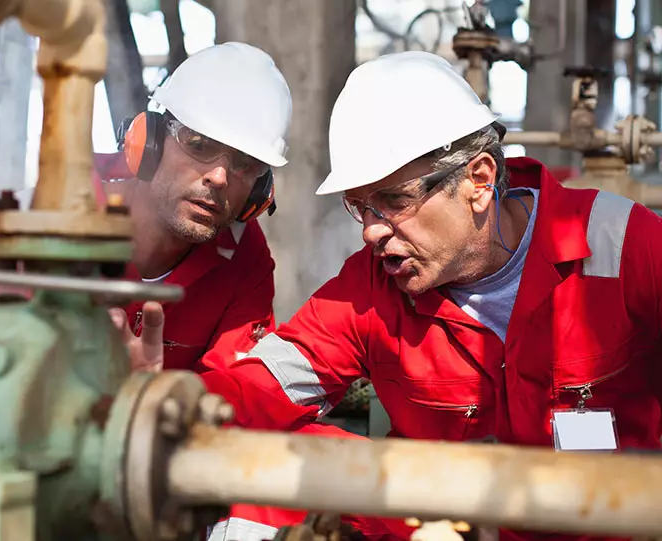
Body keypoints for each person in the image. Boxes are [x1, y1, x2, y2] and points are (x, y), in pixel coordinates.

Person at [0, 41, 293, 539]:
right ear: (147, 142)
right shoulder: (53, 207)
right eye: (199, 144)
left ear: (259, 191)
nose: (219, 176)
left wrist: (150, 404)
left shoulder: (245, 259)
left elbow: (239, 396)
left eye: (245, 164)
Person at [201, 50, 662, 541]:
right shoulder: (369, 289)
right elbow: (251, 393)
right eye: (360, 207)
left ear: (480, 181)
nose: (371, 233)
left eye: (395, 201)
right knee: (246, 492)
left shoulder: (623, 245)